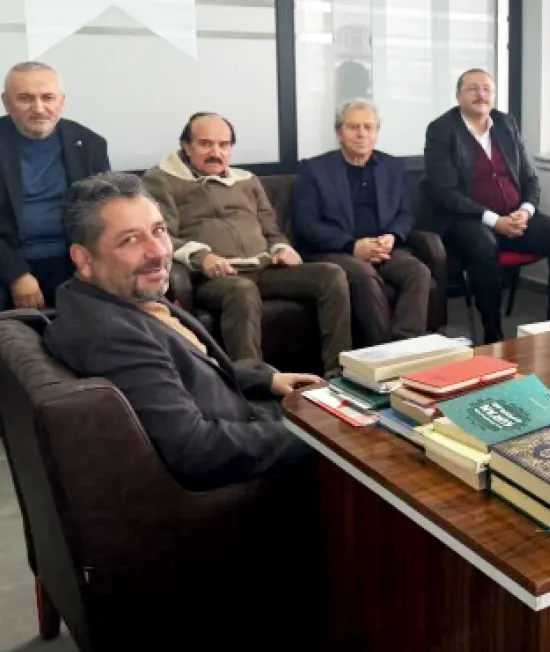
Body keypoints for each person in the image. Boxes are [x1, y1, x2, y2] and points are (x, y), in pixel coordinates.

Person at [43, 172, 320, 491]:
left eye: (159, 231)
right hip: (247, 465)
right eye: (130, 239)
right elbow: (196, 449)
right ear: (83, 259)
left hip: (244, 418)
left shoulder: (118, 296)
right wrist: (319, 435)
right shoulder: (110, 336)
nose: (158, 251)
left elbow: (185, 372)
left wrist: (265, 380)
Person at [142, 112, 352, 374]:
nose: (215, 152)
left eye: (223, 145)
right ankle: (254, 384)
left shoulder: (247, 180)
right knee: (242, 290)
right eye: (205, 144)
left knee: (331, 275)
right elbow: (161, 235)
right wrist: (202, 257)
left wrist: (282, 249)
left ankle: (340, 373)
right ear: (186, 146)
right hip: (215, 277)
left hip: (263, 268)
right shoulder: (161, 180)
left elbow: (272, 231)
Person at [420, 68, 550, 343]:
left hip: (515, 216)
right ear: (458, 96)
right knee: (484, 246)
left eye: (487, 89)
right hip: (467, 220)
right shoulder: (442, 130)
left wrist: (525, 211)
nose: (481, 95)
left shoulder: (506, 124)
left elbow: (530, 179)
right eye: (472, 89)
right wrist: (495, 221)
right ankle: (493, 335)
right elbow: (444, 192)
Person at [293, 99, 432, 346]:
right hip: (337, 251)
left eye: (368, 127)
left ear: (377, 132)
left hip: (383, 248)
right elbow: (307, 223)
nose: (361, 134)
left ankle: (406, 347)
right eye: (353, 127)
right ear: (339, 133)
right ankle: (382, 351)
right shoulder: (314, 170)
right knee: (364, 276)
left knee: (418, 272)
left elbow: (405, 214)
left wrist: (392, 236)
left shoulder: (393, 167)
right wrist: (353, 246)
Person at [0, 61, 110, 310]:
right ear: (6, 101)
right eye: (25, 98)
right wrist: (16, 275)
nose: (39, 109)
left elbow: (106, 213)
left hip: (74, 260)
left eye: (47, 98)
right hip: (8, 261)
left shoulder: (90, 145)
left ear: (61, 101)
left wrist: (90, 263)